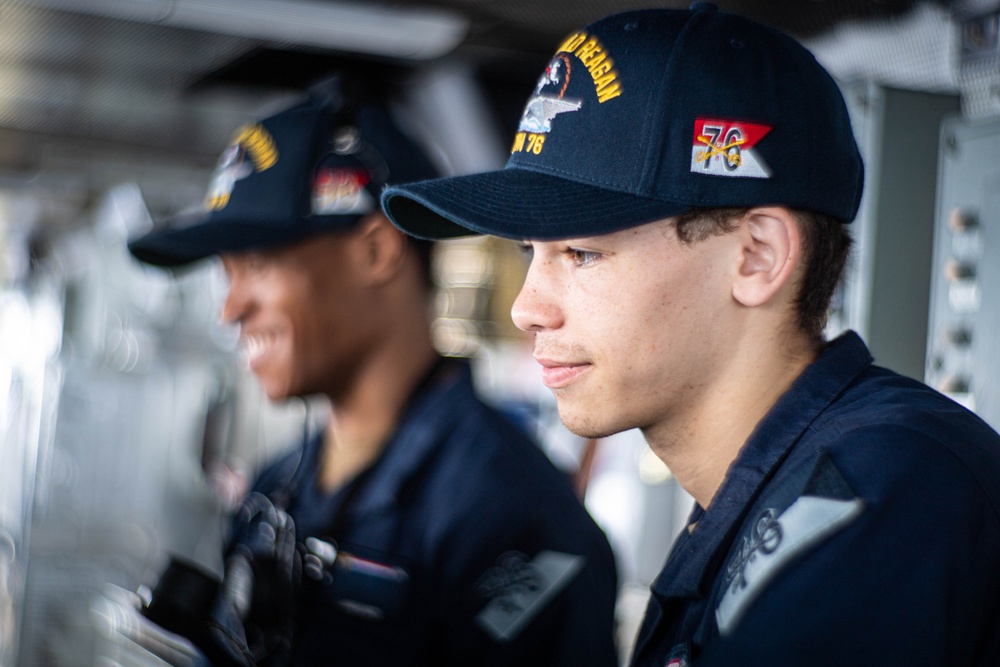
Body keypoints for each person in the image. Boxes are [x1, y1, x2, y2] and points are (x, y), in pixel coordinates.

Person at [380, 4, 1000, 666]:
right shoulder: (763, 494)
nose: (527, 309)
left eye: (582, 253)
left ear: (756, 256)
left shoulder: (878, 497)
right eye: (532, 252)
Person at [127, 77, 619, 666]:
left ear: (376, 252)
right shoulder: (273, 490)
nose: (230, 309)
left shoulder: (513, 520)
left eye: (256, 263)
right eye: (226, 274)